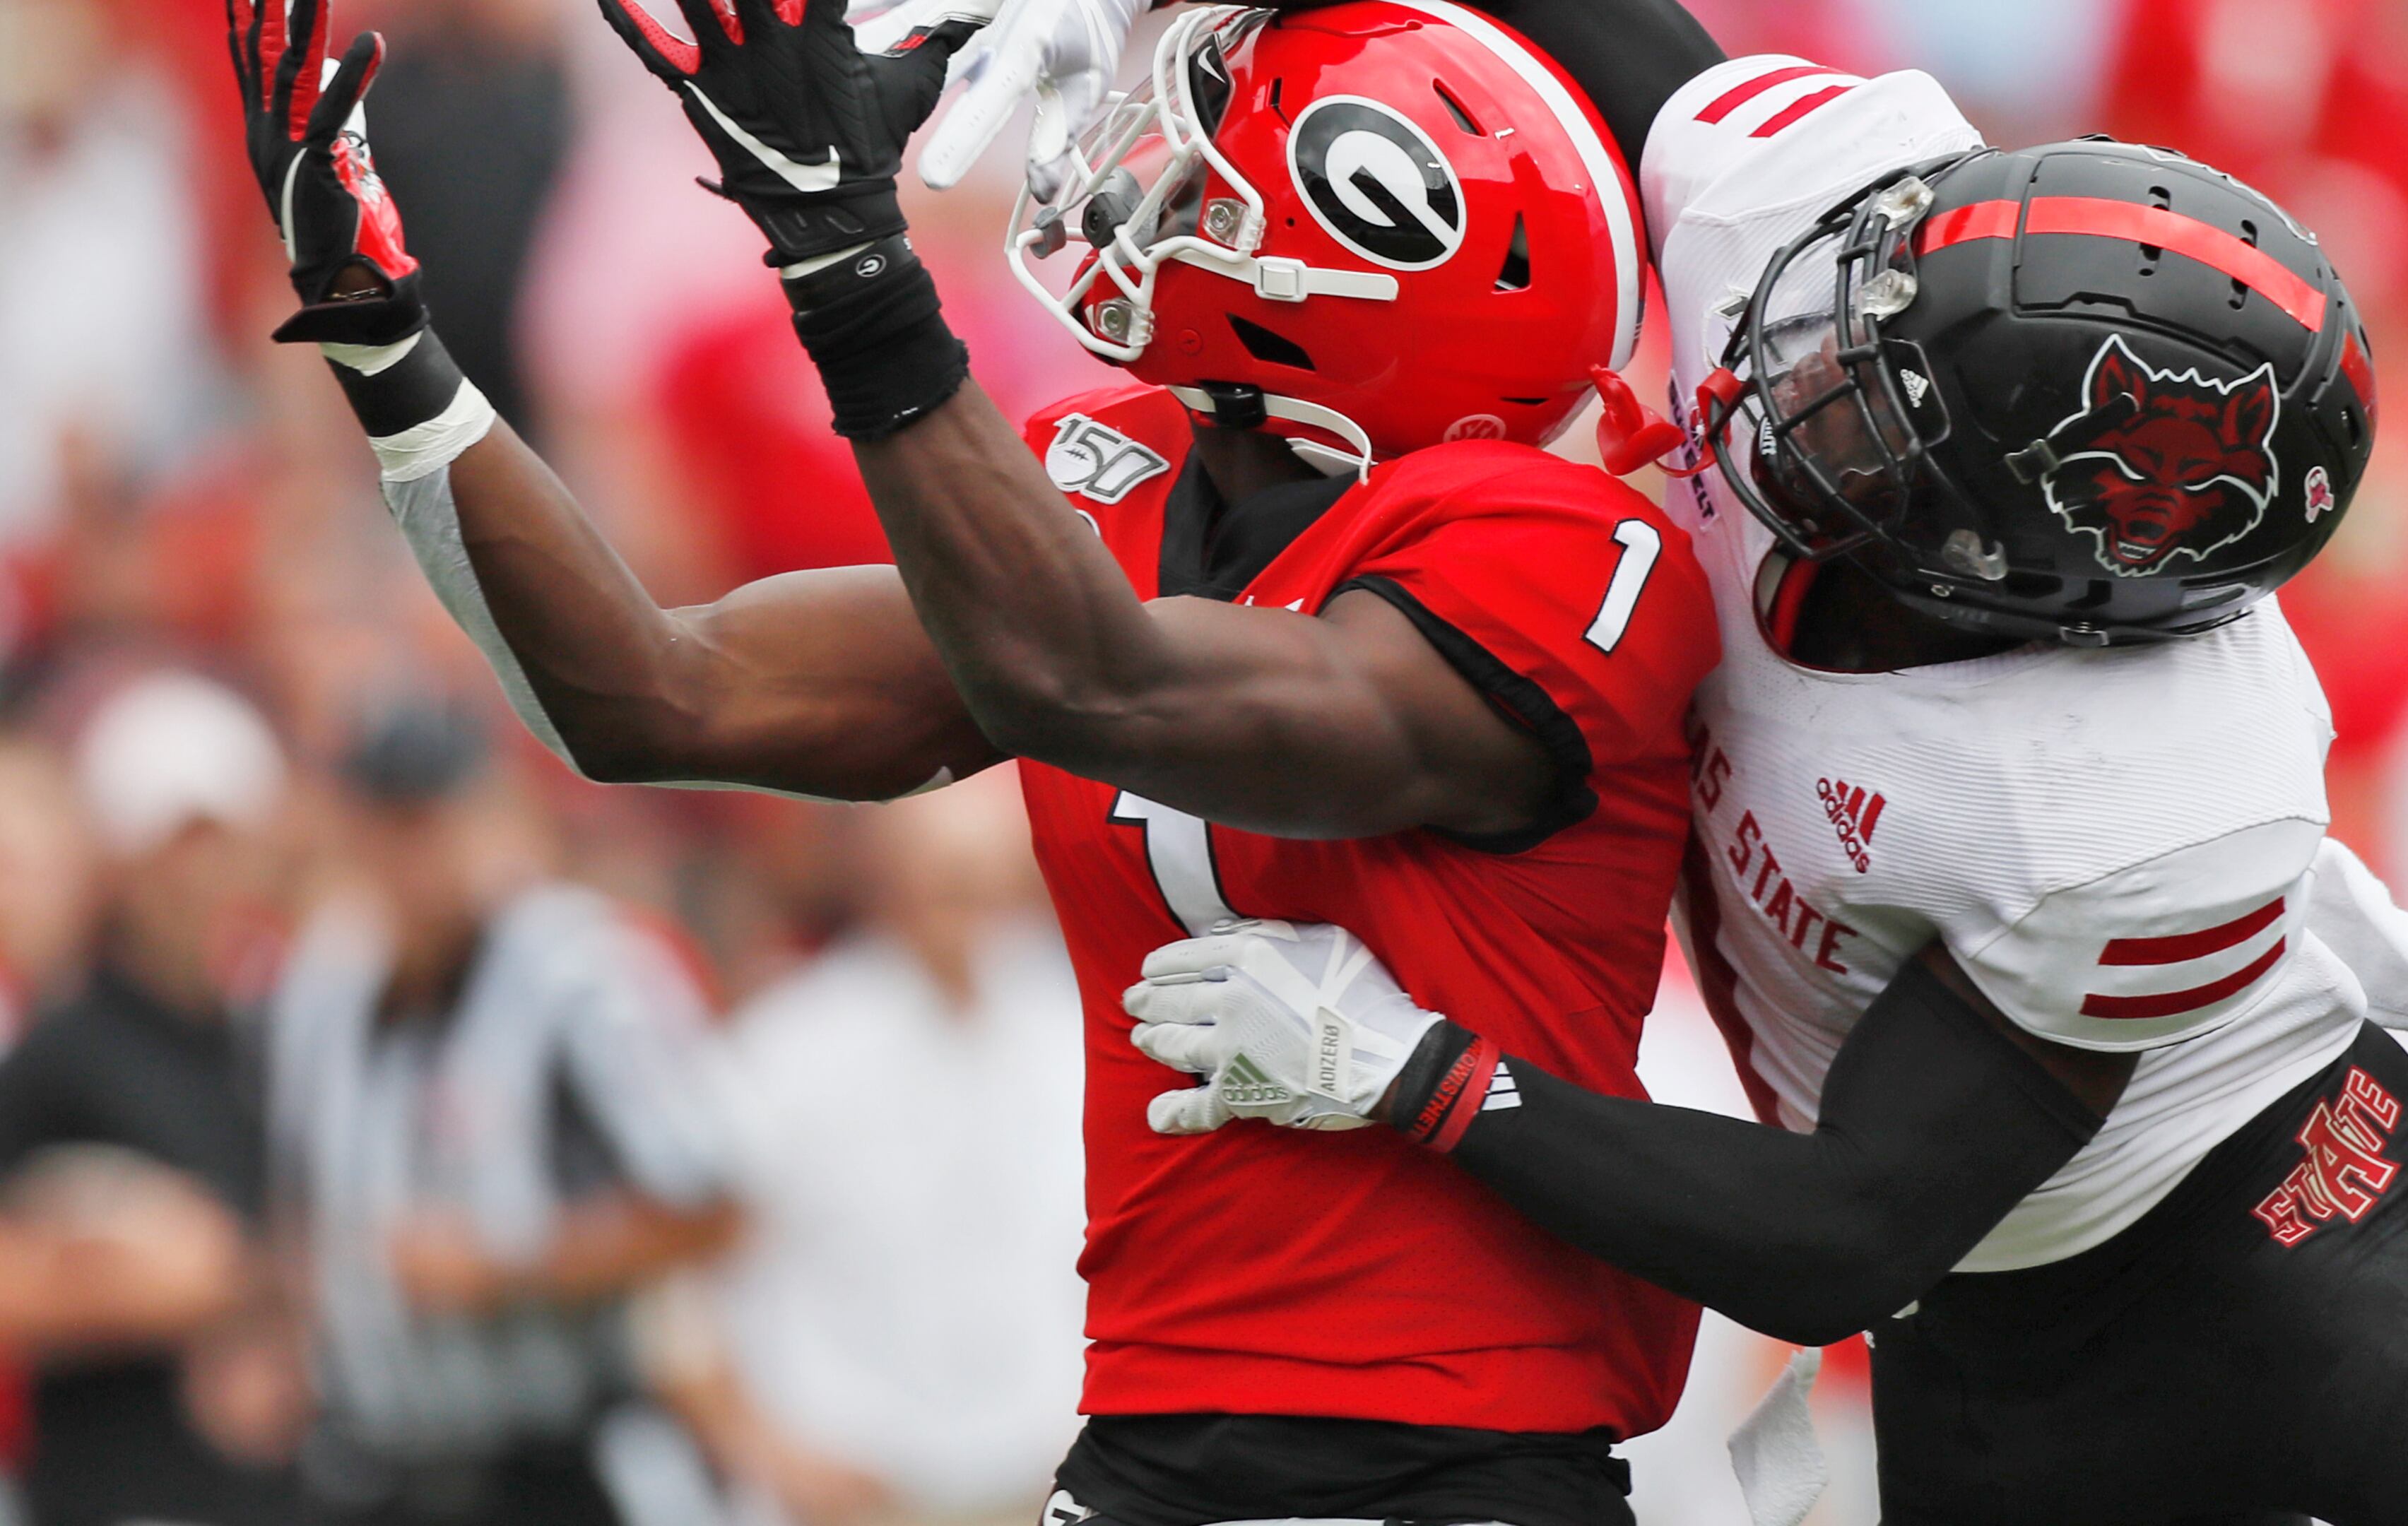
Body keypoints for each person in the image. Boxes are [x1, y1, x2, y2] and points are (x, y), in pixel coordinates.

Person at [1094, 20, 2408, 1526]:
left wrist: (1420, 1073)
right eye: (1850, 331)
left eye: (1872, 427)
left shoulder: (2142, 799)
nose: (1785, 380)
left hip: (2277, 1232)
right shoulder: (1823, 213)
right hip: (1976, 1331)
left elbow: (1842, 1232)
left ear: (2035, 584)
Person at [223, 2, 1720, 1523]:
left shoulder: (1557, 554)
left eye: (1211, 170)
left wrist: (849, 265)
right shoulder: (1127, 495)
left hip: (1448, 1459)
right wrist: (380, 337)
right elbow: (648, 698)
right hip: (1149, 1439)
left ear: (1372, 262)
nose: (1153, 184)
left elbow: (1104, 685)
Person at [268, 696, 742, 1525]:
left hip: (557, 1461)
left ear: (496, 816)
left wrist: (508, 1265)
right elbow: (301, 1210)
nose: (410, 856)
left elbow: (715, 1209)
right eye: (387, 824)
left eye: (430, 822)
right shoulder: (322, 987)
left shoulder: (583, 975)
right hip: (378, 1466)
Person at [656, 774, 1084, 1525]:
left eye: (996, 890)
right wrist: (766, 1452)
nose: (976, 920)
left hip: (1045, 1485)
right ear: (886, 885)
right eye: (950, 889)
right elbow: (680, 1284)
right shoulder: (786, 1050)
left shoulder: (1075, 1040)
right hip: (858, 1492)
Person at [0, 671, 305, 1526]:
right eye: (172, 848)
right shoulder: (59, 1053)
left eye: (219, 844)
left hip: (278, 1489)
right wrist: (108, 1281)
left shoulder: (286, 1030)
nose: (199, 877)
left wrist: (250, 1288)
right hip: (114, 1483)